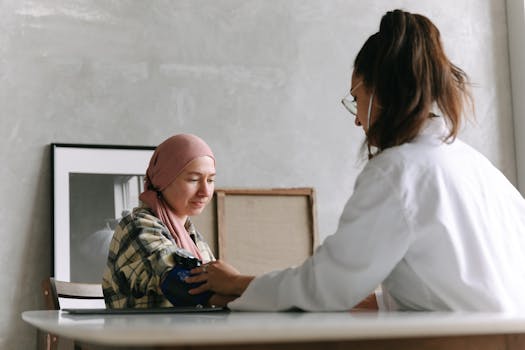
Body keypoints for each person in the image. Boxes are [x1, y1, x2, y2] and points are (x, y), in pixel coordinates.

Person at [184, 9, 525, 312]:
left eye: (356, 98)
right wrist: (368, 300)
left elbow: (324, 287)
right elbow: (447, 288)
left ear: (380, 93)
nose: (357, 119)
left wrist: (237, 282)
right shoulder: (479, 167)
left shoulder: (397, 171)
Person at [102, 134, 229, 308]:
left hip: (189, 334)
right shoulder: (138, 227)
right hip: (147, 335)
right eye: (193, 179)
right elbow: (182, 283)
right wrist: (246, 291)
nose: (205, 191)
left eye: (211, 180)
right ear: (164, 179)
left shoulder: (194, 238)